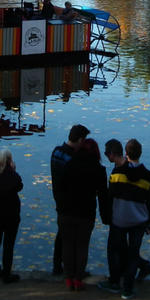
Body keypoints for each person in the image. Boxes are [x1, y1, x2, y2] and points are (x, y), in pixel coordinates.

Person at [99, 138, 150, 300]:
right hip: (139, 220)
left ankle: (115, 281)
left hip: (119, 219)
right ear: (140, 153)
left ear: (126, 153)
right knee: (133, 253)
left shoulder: (117, 174)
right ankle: (128, 289)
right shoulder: (148, 176)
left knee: (115, 250)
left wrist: (108, 217)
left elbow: (110, 197)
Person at [56, 138, 109, 291]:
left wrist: (59, 207)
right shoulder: (99, 170)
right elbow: (103, 196)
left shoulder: (69, 165)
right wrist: (105, 217)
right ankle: (78, 279)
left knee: (67, 244)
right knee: (82, 246)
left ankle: (68, 278)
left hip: (66, 211)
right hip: (86, 213)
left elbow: (61, 187)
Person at [49, 124, 89, 276]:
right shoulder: (73, 158)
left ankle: (56, 265)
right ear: (80, 139)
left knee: (62, 234)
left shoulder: (56, 152)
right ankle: (73, 270)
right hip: (71, 203)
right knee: (71, 239)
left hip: (59, 199)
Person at [0, 149, 23, 284]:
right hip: (12, 215)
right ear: (9, 161)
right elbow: (20, 186)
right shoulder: (14, 177)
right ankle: (7, 274)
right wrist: (13, 171)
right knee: (8, 244)